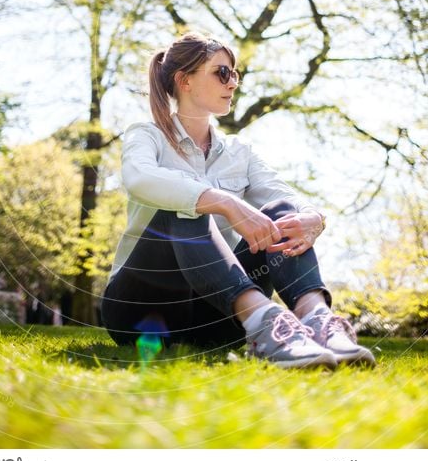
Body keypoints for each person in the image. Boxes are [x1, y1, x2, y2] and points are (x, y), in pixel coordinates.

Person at [101, 33, 375, 369]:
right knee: (187, 206)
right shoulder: (147, 135)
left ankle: (316, 321)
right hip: (141, 311)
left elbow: (282, 196)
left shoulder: (239, 152)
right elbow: (139, 178)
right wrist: (224, 202)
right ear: (184, 80)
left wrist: (314, 219)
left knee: (282, 214)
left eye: (234, 74)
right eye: (222, 73)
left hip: (217, 315)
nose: (232, 83)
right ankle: (265, 320)